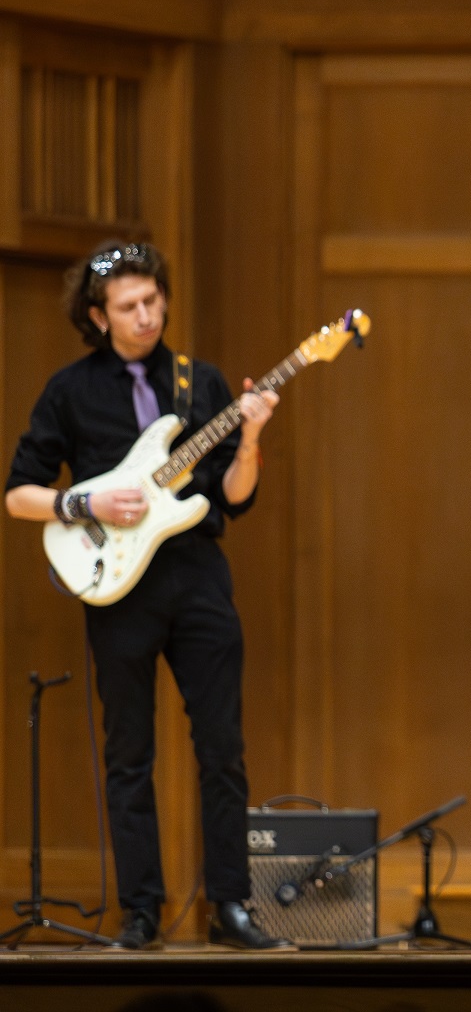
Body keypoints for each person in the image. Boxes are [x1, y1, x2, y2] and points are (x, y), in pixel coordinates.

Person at [3, 241, 288, 950]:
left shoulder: (201, 383)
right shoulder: (68, 391)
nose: (147, 315)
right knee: (129, 753)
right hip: (117, 587)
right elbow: (18, 496)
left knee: (222, 747)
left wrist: (249, 438)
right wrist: (84, 501)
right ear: (98, 316)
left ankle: (231, 907)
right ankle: (140, 910)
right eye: (129, 306)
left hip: (198, 578)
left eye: (154, 301)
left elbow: (232, 496)